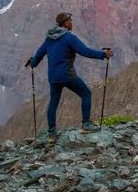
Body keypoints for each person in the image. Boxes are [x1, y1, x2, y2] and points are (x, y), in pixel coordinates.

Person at [30, 12, 113, 142]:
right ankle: (86, 124)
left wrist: (33, 63)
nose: (72, 23)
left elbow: (39, 53)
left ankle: (51, 134)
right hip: (67, 75)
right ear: (66, 23)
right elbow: (85, 52)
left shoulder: (49, 38)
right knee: (86, 93)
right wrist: (104, 54)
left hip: (53, 77)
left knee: (53, 102)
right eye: (71, 20)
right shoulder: (69, 38)